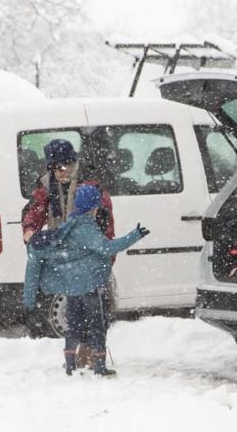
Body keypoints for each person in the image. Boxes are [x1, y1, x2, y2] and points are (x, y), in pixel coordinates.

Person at [23, 185, 150, 377]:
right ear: (94, 207)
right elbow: (108, 248)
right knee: (97, 325)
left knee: (74, 326)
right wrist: (135, 235)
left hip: (72, 287)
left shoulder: (69, 224)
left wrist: (30, 297)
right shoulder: (86, 228)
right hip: (88, 286)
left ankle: (70, 366)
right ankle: (99, 367)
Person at [22, 139, 115, 243]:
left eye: (61, 168)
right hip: (57, 249)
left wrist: (105, 253)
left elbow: (106, 223)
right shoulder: (47, 185)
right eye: (53, 169)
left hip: (86, 251)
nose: (58, 173)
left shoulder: (91, 186)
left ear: (72, 162)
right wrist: (29, 230)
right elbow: (33, 212)